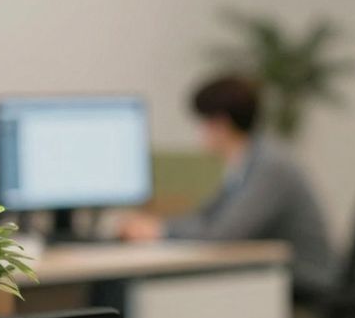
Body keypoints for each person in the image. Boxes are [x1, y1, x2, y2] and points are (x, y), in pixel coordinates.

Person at [118, 75, 335, 298]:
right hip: (278, 284)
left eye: (204, 123)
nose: (201, 134)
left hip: (303, 292)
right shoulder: (245, 164)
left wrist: (160, 230)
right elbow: (205, 216)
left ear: (220, 124)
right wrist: (160, 226)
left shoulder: (269, 166)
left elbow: (223, 233)